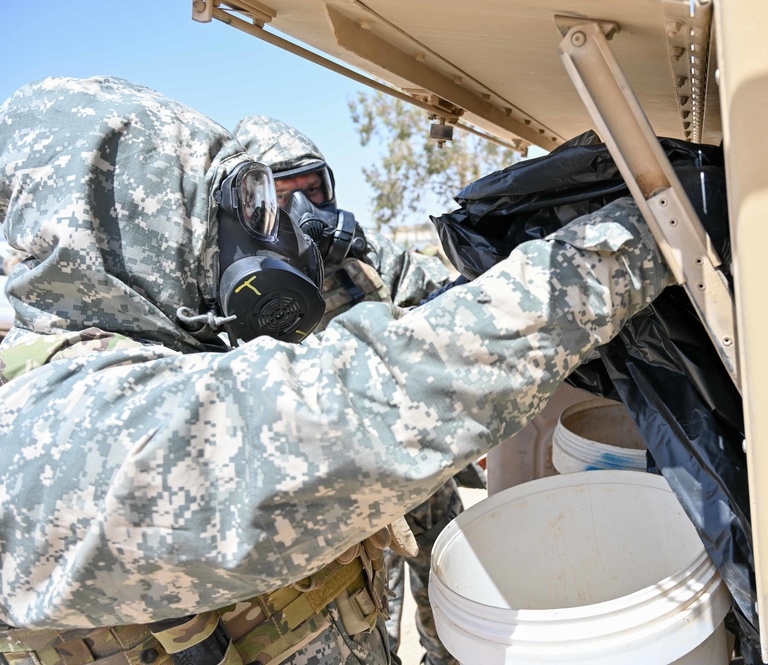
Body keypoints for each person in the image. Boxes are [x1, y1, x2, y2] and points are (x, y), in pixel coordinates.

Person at [0, 76, 673, 665]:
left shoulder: (181, 343)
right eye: (245, 204)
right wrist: (633, 243)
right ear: (125, 222)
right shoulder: (40, 435)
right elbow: (349, 415)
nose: (278, 226)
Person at [233, 114, 466, 664]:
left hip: (416, 462)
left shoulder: (364, 259)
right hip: (339, 496)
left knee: (452, 577)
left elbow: (441, 296)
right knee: (366, 611)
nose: (303, 211)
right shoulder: (243, 292)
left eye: (311, 191)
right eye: (283, 197)